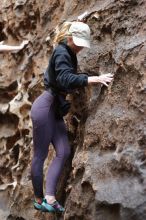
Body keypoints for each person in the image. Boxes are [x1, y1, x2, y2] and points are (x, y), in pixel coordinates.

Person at [30, 21, 113, 213]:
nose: (82, 47)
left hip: (55, 108)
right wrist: (93, 79)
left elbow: (67, 77)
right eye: (78, 43)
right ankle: (38, 199)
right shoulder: (61, 52)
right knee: (40, 156)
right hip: (45, 107)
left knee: (64, 151)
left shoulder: (69, 52)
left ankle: (50, 198)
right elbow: (64, 78)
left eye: (83, 43)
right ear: (69, 39)